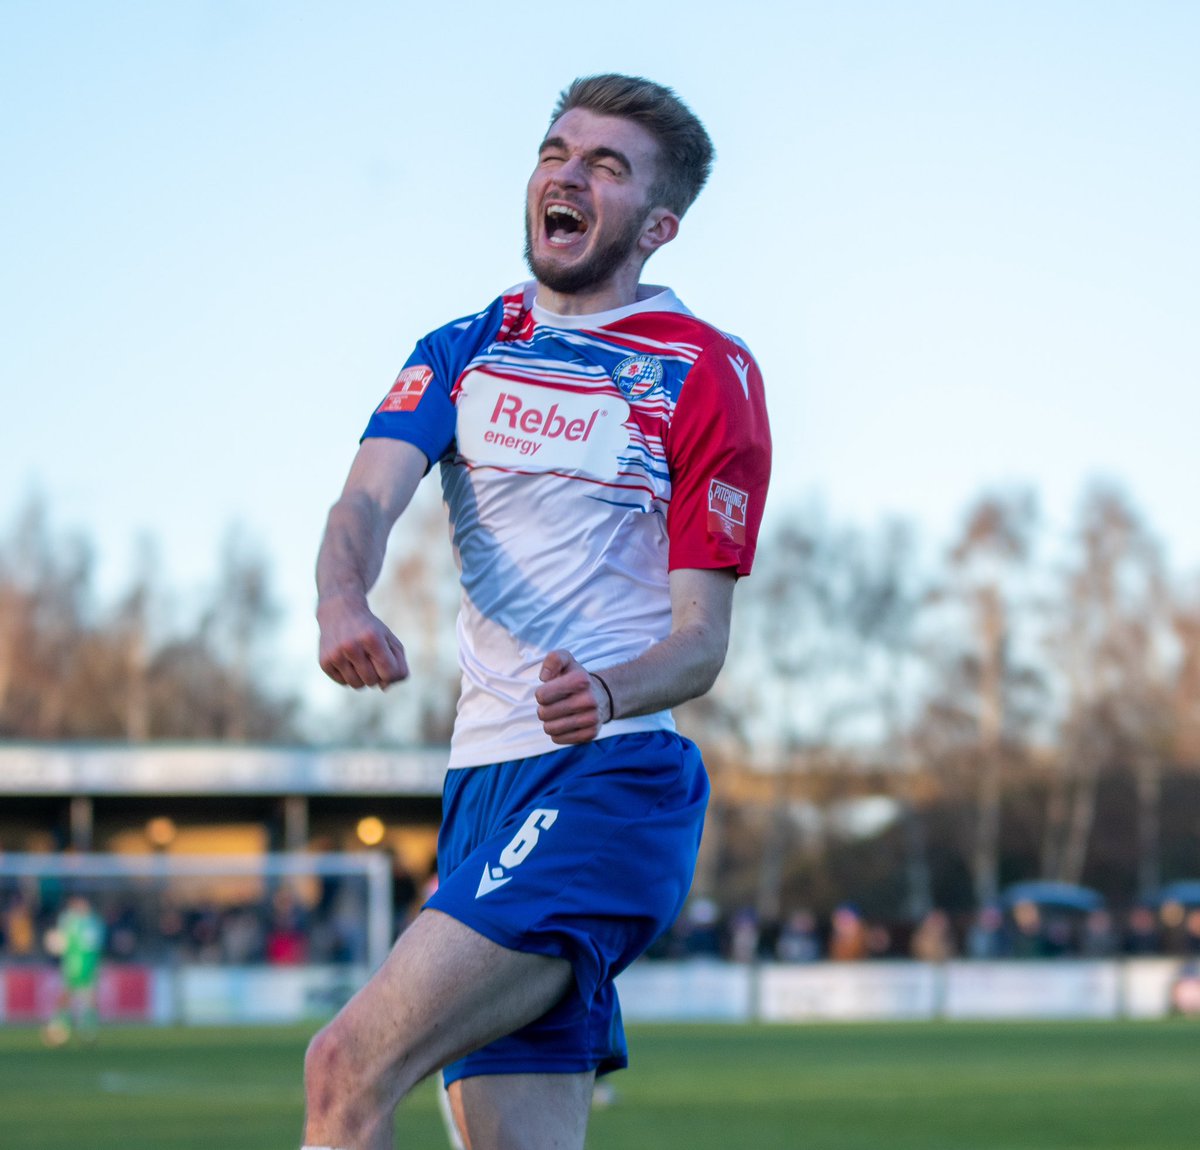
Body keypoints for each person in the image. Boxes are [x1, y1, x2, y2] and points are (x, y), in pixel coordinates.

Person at [303, 73, 771, 1150]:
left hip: (611, 781)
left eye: (606, 165)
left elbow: (700, 641)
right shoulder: (462, 347)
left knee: (344, 1068)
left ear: (657, 225)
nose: (568, 173)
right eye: (558, 150)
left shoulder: (706, 372)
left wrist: (606, 689)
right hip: (481, 791)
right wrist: (341, 597)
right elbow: (365, 499)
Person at [42, 893, 104, 1047]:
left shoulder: (93, 922)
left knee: (88, 996)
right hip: (72, 964)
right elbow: (59, 943)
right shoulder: (69, 919)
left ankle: (86, 1029)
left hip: (87, 964)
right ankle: (61, 1027)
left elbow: (94, 945)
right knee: (68, 995)